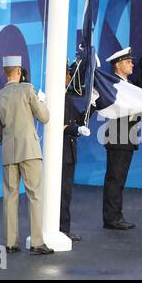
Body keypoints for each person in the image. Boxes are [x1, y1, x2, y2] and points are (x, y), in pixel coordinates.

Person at [0, 55, 53, 255]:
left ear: (5, 73)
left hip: (9, 150)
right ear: (19, 72)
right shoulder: (28, 90)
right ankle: (36, 242)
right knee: (35, 195)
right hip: (30, 151)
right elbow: (44, 117)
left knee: (10, 196)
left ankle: (10, 242)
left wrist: (6, 141)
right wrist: (41, 101)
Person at [102, 47, 139, 230]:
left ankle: (116, 215)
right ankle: (111, 218)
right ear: (118, 65)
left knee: (119, 179)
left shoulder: (128, 85)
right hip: (118, 136)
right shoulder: (114, 85)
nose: (132, 64)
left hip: (127, 136)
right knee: (115, 179)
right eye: (128, 61)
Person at [60, 66, 91, 241]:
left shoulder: (67, 97)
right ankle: (61, 229)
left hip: (69, 150)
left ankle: (64, 228)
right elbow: (60, 124)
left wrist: (91, 107)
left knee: (66, 192)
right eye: (66, 74)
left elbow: (77, 119)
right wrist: (75, 128)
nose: (70, 76)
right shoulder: (58, 98)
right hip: (62, 151)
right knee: (62, 193)